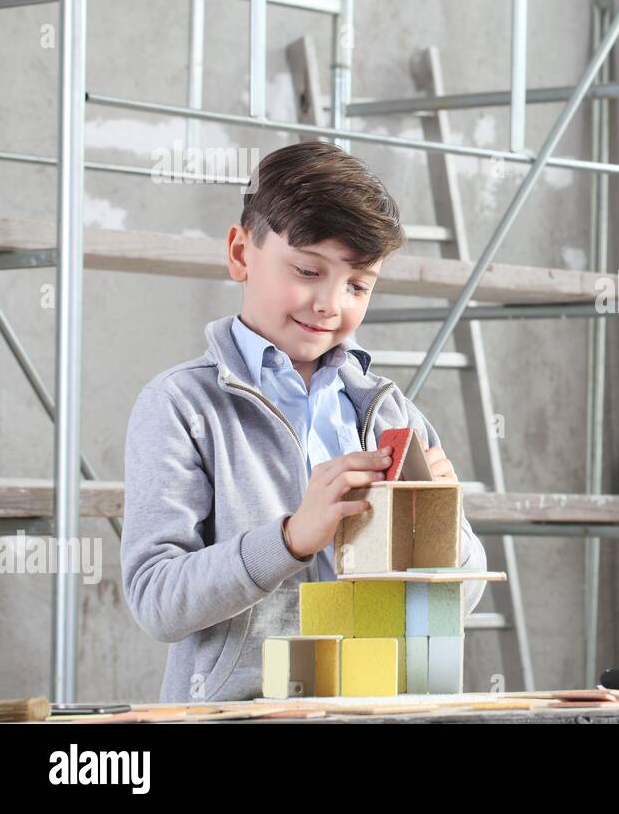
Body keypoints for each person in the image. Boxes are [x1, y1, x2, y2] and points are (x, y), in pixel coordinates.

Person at [121, 141, 488, 703]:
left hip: (376, 710)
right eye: (308, 270)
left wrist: (439, 527)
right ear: (241, 253)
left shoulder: (389, 411)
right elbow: (156, 600)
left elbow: (458, 598)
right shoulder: (181, 406)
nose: (329, 304)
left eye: (357, 285)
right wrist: (291, 540)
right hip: (235, 716)